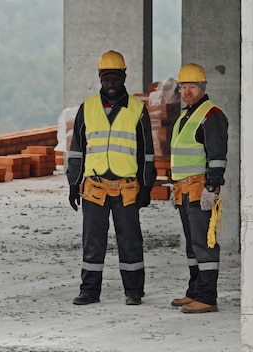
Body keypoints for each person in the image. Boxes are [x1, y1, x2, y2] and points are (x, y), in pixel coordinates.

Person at [66, 50, 157, 306]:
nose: (111, 82)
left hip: (127, 187)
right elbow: (77, 149)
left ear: (124, 76)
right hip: (94, 186)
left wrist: (147, 185)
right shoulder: (88, 108)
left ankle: (134, 291)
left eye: (116, 77)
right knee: (92, 241)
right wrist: (74, 184)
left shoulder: (138, 110)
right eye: (107, 77)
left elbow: (147, 152)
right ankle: (89, 291)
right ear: (99, 77)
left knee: (130, 240)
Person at [169, 63, 229, 313]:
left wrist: (212, 187)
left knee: (205, 244)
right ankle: (194, 291)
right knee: (193, 245)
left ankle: (207, 296)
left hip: (199, 190)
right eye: (183, 87)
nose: (186, 91)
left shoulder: (210, 115)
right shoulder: (186, 117)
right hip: (184, 191)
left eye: (192, 86)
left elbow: (217, 156)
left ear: (202, 87)